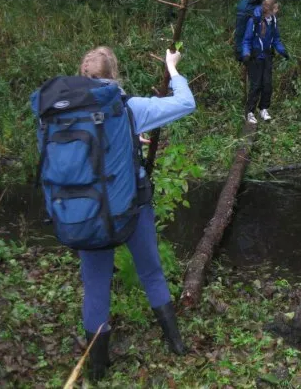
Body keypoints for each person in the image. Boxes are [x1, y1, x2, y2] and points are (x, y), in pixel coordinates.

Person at [76, 46, 196, 380]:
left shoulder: (67, 112)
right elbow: (187, 102)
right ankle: (176, 345)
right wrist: (172, 69)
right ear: (115, 75)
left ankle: (98, 370)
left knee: (96, 285)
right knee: (151, 273)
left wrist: (129, 141)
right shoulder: (130, 108)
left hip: (88, 213)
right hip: (131, 210)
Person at [242, 0, 289, 124]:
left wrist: (282, 51)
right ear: (270, 9)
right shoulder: (254, 21)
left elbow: (276, 39)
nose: (278, 10)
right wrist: (246, 54)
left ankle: (263, 108)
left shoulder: (272, 21)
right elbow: (246, 40)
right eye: (276, 8)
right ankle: (250, 112)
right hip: (255, 57)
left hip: (267, 56)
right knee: (256, 85)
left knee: (267, 84)